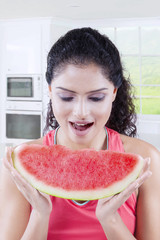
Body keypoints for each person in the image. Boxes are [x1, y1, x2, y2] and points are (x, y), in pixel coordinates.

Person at [0, 27, 160, 240]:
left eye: (96, 98)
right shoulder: (17, 165)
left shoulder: (146, 160)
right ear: (49, 91)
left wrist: (110, 220)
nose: (81, 112)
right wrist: (40, 214)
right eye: (66, 97)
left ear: (113, 93)